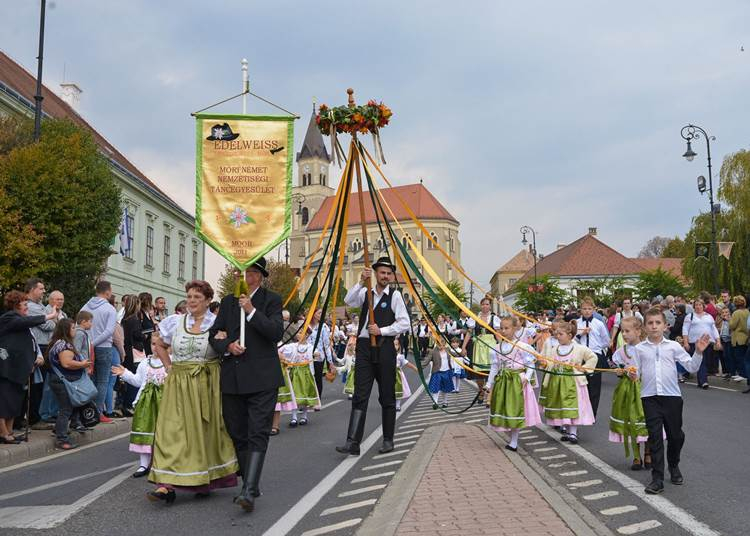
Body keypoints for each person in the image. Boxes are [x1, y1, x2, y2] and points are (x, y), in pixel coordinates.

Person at [148, 280, 239, 505]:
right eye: (189, 297)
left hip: (207, 382)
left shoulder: (216, 324)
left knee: (204, 432)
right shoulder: (175, 322)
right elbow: (159, 344)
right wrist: (169, 367)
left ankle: (202, 480)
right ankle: (165, 485)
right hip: (178, 383)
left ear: (208, 301)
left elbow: (225, 348)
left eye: (197, 297)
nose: (191, 301)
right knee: (171, 431)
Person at [208, 257, 284, 513]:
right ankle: (249, 481)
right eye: (240, 273)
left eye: (250, 273)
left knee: (258, 431)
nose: (244, 277)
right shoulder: (228, 302)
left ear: (260, 276)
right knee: (237, 431)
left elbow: (275, 332)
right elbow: (215, 334)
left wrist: (251, 310)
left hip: (262, 377)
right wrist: (227, 345)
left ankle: (249, 490)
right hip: (233, 377)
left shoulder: (270, 300)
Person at [336, 257, 410, 457]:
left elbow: (405, 324)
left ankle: (388, 439)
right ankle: (353, 442)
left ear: (391, 276)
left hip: (385, 348)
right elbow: (348, 300)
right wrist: (361, 280)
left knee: (387, 396)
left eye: (388, 273)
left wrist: (382, 330)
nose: (385, 276)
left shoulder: (394, 296)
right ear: (376, 273)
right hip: (364, 348)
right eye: (382, 272)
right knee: (360, 395)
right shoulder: (365, 293)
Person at [635, 308, 710, 495]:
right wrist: (628, 372)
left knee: (676, 436)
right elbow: (635, 373)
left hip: (672, 398)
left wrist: (698, 352)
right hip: (649, 397)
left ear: (665, 325)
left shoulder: (673, 347)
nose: (654, 326)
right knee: (655, 438)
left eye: (657, 323)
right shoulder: (639, 349)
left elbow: (691, 367)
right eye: (650, 323)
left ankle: (674, 465)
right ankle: (657, 478)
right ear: (645, 327)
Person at [0, 291, 58, 443]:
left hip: (19, 369)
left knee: (15, 402)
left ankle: (10, 431)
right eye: (25, 304)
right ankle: (3, 433)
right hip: (7, 369)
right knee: (5, 402)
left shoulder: (20, 320)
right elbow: (28, 322)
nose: (27, 307)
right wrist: (49, 316)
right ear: (15, 305)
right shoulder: (9, 318)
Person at [112, 337, 167, 477]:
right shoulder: (145, 363)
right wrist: (125, 373)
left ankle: (162, 463)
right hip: (145, 404)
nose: (156, 347)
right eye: (153, 344)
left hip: (164, 403)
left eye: (160, 344)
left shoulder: (170, 361)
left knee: (163, 434)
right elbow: (137, 381)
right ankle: (143, 464)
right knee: (144, 432)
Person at [486, 317, 541, 452]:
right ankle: (512, 437)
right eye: (501, 328)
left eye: (507, 328)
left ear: (515, 328)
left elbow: (530, 364)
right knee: (504, 408)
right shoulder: (497, 348)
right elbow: (494, 367)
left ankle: (514, 442)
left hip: (516, 381)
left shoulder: (521, 346)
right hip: (502, 382)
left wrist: (527, 378)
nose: (503, 331)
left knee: (515, 409)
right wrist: (489, 384)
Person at [539, 320, 598, 444]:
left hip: (573, 383)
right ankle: (566, 429)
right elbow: (551, 361)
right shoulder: (555, 349)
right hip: (558, 383)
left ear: (570, 335)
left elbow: (593, 357)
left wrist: (585, 368)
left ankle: (573, 432)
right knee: (562, 406)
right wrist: (546, 364)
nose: (557, 336)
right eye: (557, 334)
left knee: (572, 406)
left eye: (561, 334)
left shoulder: (579, 348)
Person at [609, 316, 650, 470]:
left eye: (627, 331)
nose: (624, 334)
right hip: (627, 390)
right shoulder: (621, 351)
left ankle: (648, 452)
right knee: (632, 420)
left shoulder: (646, 348)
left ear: (638, 331)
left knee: (646, 420)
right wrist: (620, 372)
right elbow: (618, 369)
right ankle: (636, 455)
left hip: (644, 387)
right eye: (622, 331)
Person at [47, 319, 91, 450]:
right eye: (72, 328)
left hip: (61, 380)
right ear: (66, 330)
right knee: (66, 409)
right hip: (62, 381)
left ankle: (60, 430)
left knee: (67, 408)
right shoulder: (64, 345)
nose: (75, 331)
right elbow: (66, 363)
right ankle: (61, 439)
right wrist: (82, 364)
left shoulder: (58, 342)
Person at [80, 281, 117, 423]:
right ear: (107, 292)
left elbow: (80, 324)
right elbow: (109, 331)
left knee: (90, 379)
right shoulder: (110, 309)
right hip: (104, 347)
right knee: (102, 381)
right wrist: (94, 342)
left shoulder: (85, 306)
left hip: (87, 346)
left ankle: (87, 412)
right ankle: (98, 412)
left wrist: (89, 343)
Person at [575, 297, 610, 418]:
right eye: (584, 308)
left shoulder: (598, 323)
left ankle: (592, 414)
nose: (587, 311)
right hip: (580, 355)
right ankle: (581, 412)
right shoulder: (577, 323)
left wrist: (597, 348)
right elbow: (572, 340)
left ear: (594, 309)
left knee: (594, 386)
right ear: (580, 310)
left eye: (589, 309)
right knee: (580, 384)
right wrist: (581, 334)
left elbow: (606, 341)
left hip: (595, 355)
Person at [462, 297, 501, 403]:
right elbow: (469, 332)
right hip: (479, 346)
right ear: (480, 305)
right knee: (479, 372)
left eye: (487, 304)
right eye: (483, 304)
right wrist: (464, 347)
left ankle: (489, 394)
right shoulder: (475, 317)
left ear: (490, 306)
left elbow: (497, 334)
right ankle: (481, 391)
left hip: (491, 346)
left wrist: (502, 347)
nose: (485, 306)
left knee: (491, 371)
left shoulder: (494, 318)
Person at [681, 298, 719, 389]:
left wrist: (718, 340)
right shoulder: (690, 316)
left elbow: (714, 329)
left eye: (700, 305)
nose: (698, 307)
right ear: (694, 306)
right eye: (696, 305)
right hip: (695, 343)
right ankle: (703, 381)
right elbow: (685, 329)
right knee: (701, 361)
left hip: (708, 343)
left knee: (706, 362)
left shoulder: (709, 316)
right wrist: (686, 342)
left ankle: (701, 380)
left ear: (703, 306)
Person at [285, 332, 320, 427]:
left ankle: (304, 416)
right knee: (294, 395)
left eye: (301, 333)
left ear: (306, 335)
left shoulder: (310, 347)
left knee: (305, 394)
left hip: (306, 373)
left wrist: (317, 354)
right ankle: (294, 417)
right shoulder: (292, 346)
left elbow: (317, 353)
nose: (298, 334)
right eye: (298, 333)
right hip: (296, 373)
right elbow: (281, 350)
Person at [121, 295, 146, 411]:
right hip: (135, 351)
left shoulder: (124, 319)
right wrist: (144, 336)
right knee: (135, 377)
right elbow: (137, 335)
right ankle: (130, 404)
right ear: (136, 304)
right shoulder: (134, 319)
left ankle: (125, 403)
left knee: (128, 376)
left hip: (127, 349)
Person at [308, 308, 332, 399]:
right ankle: (307, 398)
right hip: (307, 356)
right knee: (308, 377)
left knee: (318, 377)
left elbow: (326, 345)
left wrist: (330, 362)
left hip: (319, 357)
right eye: (319, 313)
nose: (321, 315)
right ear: (313, 313)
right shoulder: (306, 326)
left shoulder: (323, 327)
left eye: (322, 313)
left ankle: (317, 399)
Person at [728, 296, 749, 390]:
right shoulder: (747, 311)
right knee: (744, 356)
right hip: (746, 337)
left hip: (738, 337)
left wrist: (729, 320)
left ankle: (742, 374)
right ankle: (744, 373)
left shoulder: (736, 313)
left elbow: (732, 325)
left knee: (739, 357)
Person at [427, 337, 454, 407]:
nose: (441, 346)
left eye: (442, 344)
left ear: (445, 344)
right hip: (437, 372)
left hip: (446, 371)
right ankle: (435, 402)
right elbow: (427, 360)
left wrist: (462, 354)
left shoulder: (448, 349)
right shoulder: (433, 351)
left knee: (445, 388)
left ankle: (445, 402)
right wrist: (420, 367)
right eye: (439, 344)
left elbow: (456, 354)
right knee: (436, 388)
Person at [394, 338, 417, 411]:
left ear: (399, 346)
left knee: (398, 389)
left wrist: (415, 368)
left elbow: (406, 363)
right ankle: (391, 404)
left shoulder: (400, 356)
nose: (395, 346)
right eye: (393, 345)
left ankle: (397, 405)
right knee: (389, 389)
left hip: (397, 374)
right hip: (388, 374)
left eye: (396, 345)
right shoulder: (386, 355)